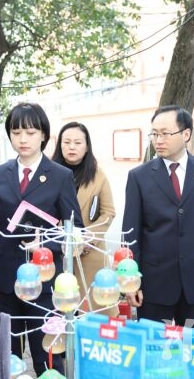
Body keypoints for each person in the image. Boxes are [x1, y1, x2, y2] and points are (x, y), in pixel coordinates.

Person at [0, 102, 83, 376]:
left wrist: (46, 245)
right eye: (16, 132)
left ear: (43, 134)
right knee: (5, 357)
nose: (23, 139)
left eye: (30, 132)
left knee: (48, 357)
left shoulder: (61, 176)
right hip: (3, 283)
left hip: (44, 285)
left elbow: (76, 231)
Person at [122, 105, 194, 327]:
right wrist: (130, 281)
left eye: (165, 133)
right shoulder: (139, 177)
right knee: (155, 344)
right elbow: (130, 235)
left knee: (192, 343)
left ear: (186, 134)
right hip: (154, 282)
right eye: (154, 134)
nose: (158, 140)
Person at [52, 122, 118, 317]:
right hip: (58, 254)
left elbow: (108, 212)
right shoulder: (49, 173)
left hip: (91, 254)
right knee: (61, 312)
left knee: (93, 313)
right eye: (67, 142)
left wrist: (89, 238)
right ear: (60, 145)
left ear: (87, 146)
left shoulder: (98, 175)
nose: (72, 147)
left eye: (78, 142)